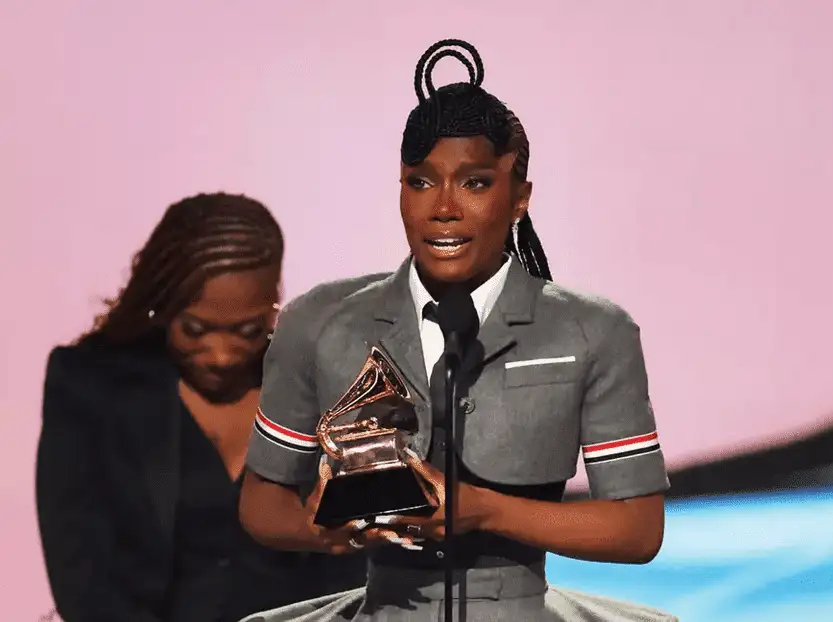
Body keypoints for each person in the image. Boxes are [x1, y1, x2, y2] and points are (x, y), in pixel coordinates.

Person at [238, 40, 676, 621]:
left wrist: (481, 510)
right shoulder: (320, 322)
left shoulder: (592, 331)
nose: (443, 208)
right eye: (420, 182)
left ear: (519, 197)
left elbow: (637, 530)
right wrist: (332, 531)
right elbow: (262, 505)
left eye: (473, 183)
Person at [35, 193, 368, 622]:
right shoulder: (90, 386)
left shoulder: (324, 393)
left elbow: (348, 569)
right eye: (195, 329)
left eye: (248, 331)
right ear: (163, 305)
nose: (221, 355)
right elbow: (80, 570)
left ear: (274, 306)